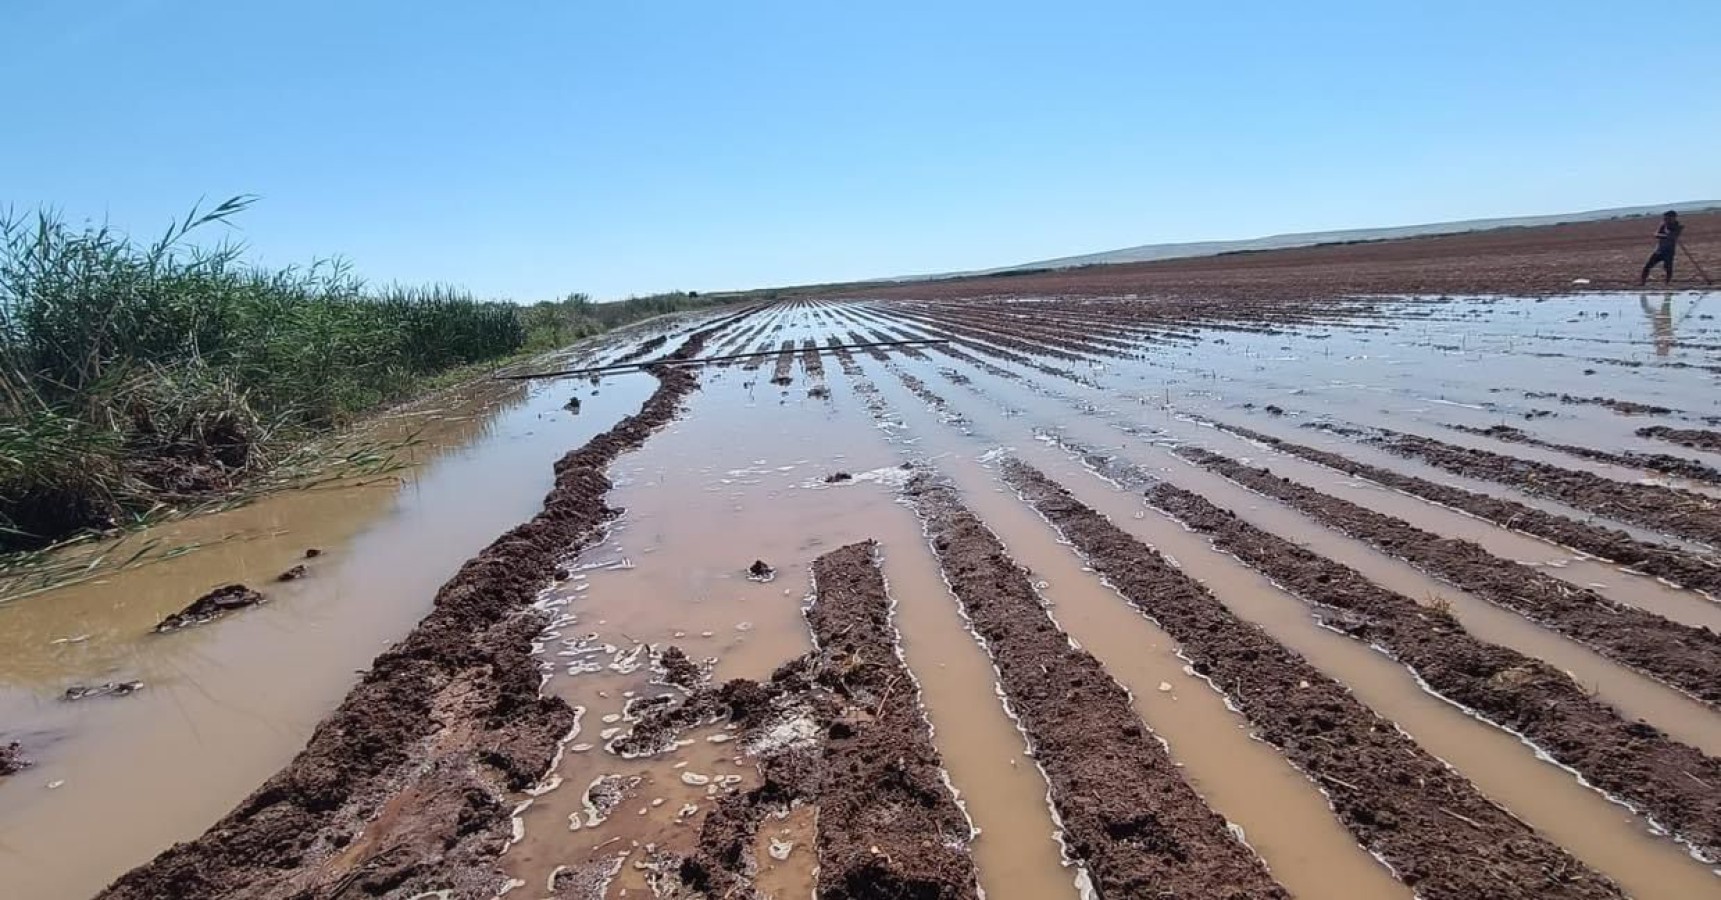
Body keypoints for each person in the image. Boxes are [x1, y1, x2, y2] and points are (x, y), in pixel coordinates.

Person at [1639, 210, 1684, 285]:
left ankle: (1667, 283)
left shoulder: (1678, 227)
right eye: (1665, 218)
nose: (1665, 220)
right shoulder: (1663, 225)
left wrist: (1666, 235)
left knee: (1668, 267)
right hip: (1659, 250)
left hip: (1669, 251)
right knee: (1648, 266)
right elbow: (1656, 234)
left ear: (1673, 218)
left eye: (1667, 218)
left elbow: (1674, 236)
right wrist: (1666, 236)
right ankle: (1642, 282)